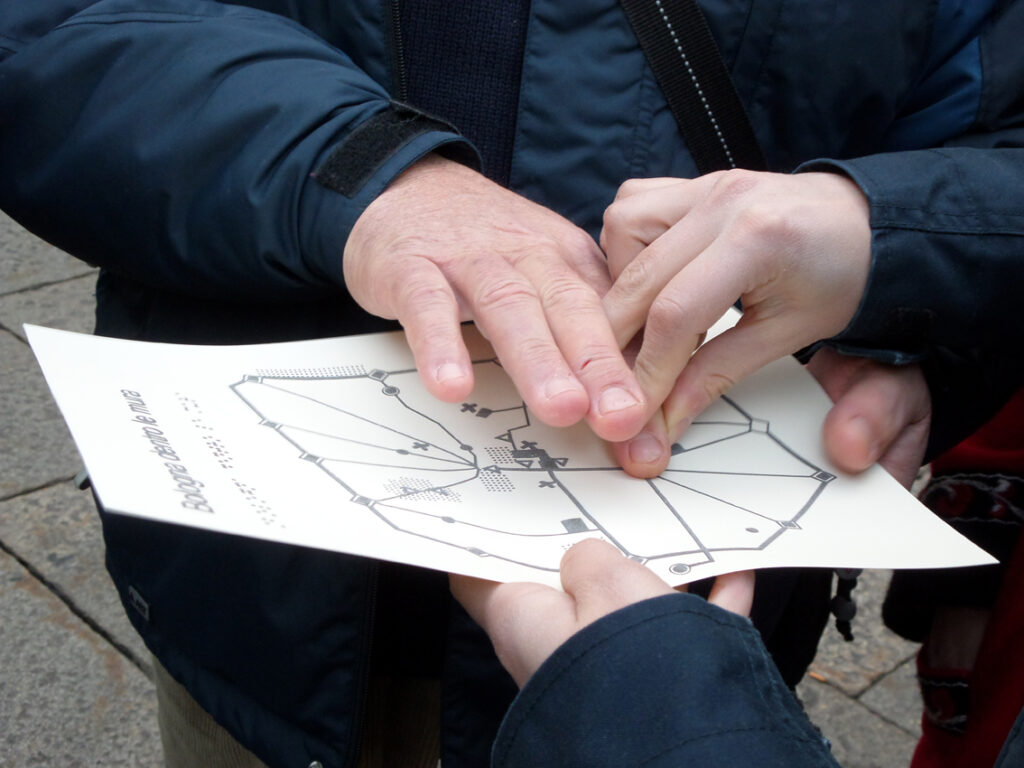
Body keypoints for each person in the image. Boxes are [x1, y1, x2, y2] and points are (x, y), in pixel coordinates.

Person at [2, 1, 1022, 766]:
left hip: (698, 607)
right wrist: (356, 173)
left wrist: (902, 290)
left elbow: (993, 133)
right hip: (262, 593)